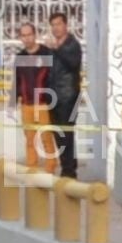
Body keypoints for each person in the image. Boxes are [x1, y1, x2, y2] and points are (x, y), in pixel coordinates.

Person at [12, 22, 58, 174]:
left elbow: (54, 78)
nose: (26, 38)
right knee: (30, 139)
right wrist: (13, 102)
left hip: (44, 104)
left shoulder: (47, 53)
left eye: (29, 35)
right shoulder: (20, 57)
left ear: (35, 35)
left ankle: (50, 168)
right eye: (23, 36)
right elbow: (17, 80)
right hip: (26, 105)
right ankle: (32, 169)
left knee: (46, 137)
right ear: (20, 38)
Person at [46, 12, 82, 179]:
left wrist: (57, 49)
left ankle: (70, 170)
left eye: (58, 24)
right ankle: (65, 167)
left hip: (69, 96)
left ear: (65, 25)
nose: (56, 28)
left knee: (67, 133)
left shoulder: (72, 44)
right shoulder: (52, 47)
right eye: (53, 25)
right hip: (53, 96)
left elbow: (73, 63)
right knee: (58, 133)